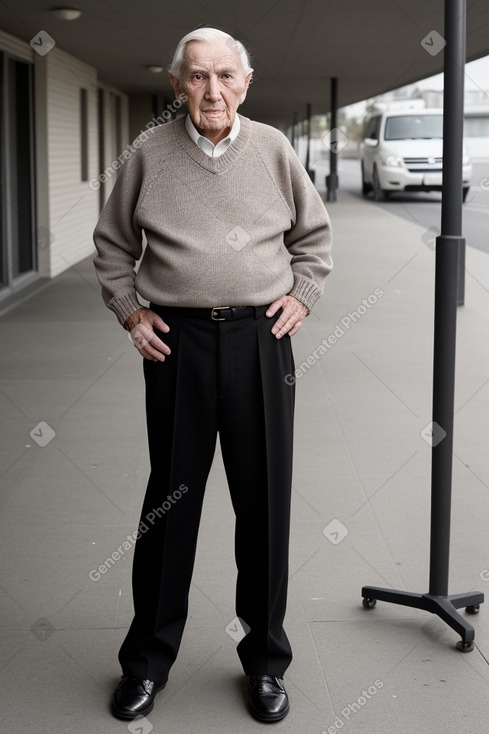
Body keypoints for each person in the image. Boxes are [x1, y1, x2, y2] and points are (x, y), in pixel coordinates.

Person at [93, 26, 333, 724]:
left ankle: (265, 663)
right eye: (197, 76)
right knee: (168, 507)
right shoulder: (147, 153)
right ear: (176, 85)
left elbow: (312, 239)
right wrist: (130, 311)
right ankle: (145, 663)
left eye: (225, 76)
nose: (212, 91)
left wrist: (303, 292)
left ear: (245, 83)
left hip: (260, 339)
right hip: (178, 343)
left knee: (263, 508)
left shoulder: (274, 150)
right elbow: (112, 246)